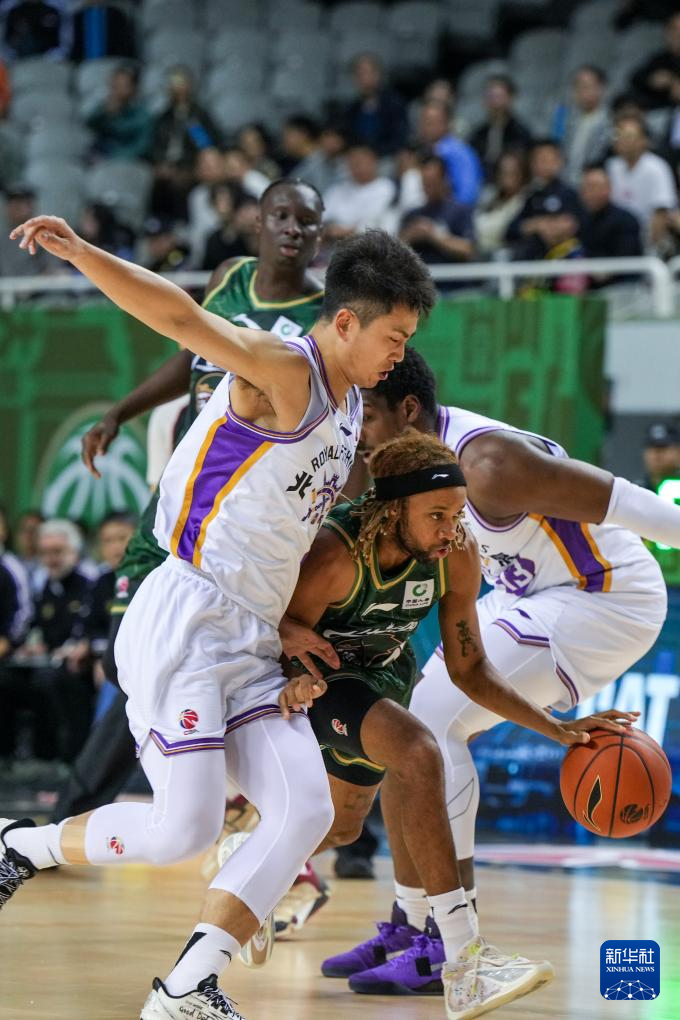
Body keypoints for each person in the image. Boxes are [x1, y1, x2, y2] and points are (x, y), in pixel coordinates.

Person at [0, 215, 435, 1020]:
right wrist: (82, 253)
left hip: (254, 633)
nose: (400, 353)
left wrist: (289, 624)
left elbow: (283, 529)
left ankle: (187, 987)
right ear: (346, 322)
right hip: (190, 619)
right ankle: (21, 843)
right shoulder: (285, 370)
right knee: (181, 834)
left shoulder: (350, 408)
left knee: (305, 809)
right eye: (394, 336)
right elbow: (181, 318)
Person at [336, 347, 680, 994]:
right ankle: (410, 924)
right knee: (403, 720)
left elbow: (631, 504)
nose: (359, 434)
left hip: (605, 596)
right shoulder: (412, 468)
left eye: (369, 417)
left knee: (433, 723)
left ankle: (449, 942)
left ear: (408, 410)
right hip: (532, 593)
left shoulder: (488, 465)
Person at [273, 429, 630, 1015]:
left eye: (458, 513)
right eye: (437, 515)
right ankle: (464, 959)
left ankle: (252, 862)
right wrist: (292, 667)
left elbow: (470, 668)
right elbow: (278, 630)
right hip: (318, 677)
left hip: (382, 676)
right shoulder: (336, 554)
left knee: (341, 827)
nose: (451, 529)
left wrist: (557, 727)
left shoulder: (456, 552)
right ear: (393, 510)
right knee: (418, 749)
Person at [150, 66, 221, 222]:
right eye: (172, 84)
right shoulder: (163, 117)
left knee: (180, 183)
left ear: (189, 86)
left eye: (180, 83)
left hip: (189, 166)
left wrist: (190, 167)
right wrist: (159, 164)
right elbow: (155, 145)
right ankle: (157, 224)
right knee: (155, 182)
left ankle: (182, 223)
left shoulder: (200, 116)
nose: (176, 88)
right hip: (166, 165)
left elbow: (207, 146)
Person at [505, 139, 583, 260]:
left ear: (559, 161)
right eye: (538, 160)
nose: (543, 164)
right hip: (533, 259)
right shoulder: (532, 195)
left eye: (547, 159)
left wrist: (556, 228)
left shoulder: (569, 194)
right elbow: (511, 230)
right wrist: (536, 224)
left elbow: (577, 225)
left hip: (564, 260)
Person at [606, 114, 677, 246]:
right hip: (616, 238)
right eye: (618, 135)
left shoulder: (656, 167)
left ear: (643, 140)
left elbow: (661, 212)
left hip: (646, 240)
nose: (623, 141)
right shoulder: (612, 166)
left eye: (629, 136)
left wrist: (650, 247)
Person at [399, 154, 475, 274]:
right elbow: (394, 252)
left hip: (452, 280)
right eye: (425, 183)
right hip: (419, 281)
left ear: (444, 180)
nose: (428, 187)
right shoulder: (413, 214)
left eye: (433, 182)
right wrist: (411, 235)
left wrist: (434, 235)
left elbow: (468, 250)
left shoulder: (460, 211)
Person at [579, 165, 642, 281]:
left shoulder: (626, 220)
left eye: (594, 187)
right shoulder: (581, 220)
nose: (589, 193)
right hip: (589, 284)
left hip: (624, 285)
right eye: (585, 188)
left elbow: (624, 261)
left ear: (608, 188)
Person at [415, 100, 483, 207]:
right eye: (424, 121)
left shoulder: (460, 153)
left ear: (447, 123)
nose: (426, 127)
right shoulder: (421, 151)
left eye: (431, 122)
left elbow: (467, 195)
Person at [552, 66, 612, 187]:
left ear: (601, 88)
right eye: (577, 86)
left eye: (587, 86)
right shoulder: (564, 118)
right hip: (565, 182)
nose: (582, 91)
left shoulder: (610, 121)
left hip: (594, 185)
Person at [340, 52, 408, 157]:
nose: (363, 78)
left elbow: (399, 139)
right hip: (356, 157)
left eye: (367, 72)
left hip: (385, 157)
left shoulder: (394, 104)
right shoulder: (351, 108)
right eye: (358, 74)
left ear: (378, 75)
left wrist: (374, 153)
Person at [323, 143, 396, 241]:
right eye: (352, 162)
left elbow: (374, 222)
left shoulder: (386, 187)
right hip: (332, 241)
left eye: (360, 162)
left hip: (369, 243)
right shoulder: (337, 189)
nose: (356, 166)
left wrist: (346, 231)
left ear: (374, 162)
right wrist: (330, 230)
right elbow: (323, 217)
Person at [469, 75, 533, 180]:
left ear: (510, 98)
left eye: (499, 97)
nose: (495, 103)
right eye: (491, 97)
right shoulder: (477, 135)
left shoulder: (521, 134)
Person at [86, 63, 154, 161]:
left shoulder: (143, 115)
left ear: (133, 88)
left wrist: (111, 157)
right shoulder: (104, 107)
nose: (116, 89)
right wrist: (104, 112)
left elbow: (142, 147)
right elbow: (89, 125)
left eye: (122, 85)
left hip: (125, 161)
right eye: (114, 85)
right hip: (98, 156)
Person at [474, 151, 529, 258]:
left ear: (522, 173)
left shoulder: (526, 200)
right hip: (479, 252)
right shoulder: (488, 195)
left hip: (505, 255)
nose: (507, 177)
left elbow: (505, 231)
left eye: (513, 172)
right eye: (503, 172)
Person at [630, 11, 680, 110]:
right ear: (666, 33)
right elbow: (636, 79)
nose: (678, 35)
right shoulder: (659, 59)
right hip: (662, 111)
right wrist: (652, 80)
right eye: (674, 29)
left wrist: (675, 81)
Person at [69, 0, 136, 61]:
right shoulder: (79, 17)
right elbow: (75, 49)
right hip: (85, 64)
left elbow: (125, 48)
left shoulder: (116, 13)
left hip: (113, 62)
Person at [2, 0, 66, 59]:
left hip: (48, 57)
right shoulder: (15, 12)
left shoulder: (51, 11)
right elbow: (8, 42)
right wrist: (20, 33)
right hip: (20, 58)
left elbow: (58, 42)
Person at [638, 421, 680, 492]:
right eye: (651, 448)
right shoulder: (637, 490)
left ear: (678, 453)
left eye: (663, 448)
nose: (656, 455)